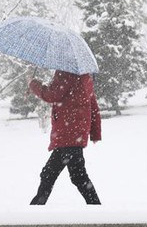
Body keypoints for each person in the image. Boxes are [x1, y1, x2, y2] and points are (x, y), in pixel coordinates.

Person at [28, 70, 101, 205]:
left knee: (73, 176)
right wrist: (95, 132)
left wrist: (33, 84)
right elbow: (93, 105)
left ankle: (98, 211)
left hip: (68, 134)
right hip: (74, 135)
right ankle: (35, 209)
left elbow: (51, 95)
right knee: (51, 174)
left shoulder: (65, 73)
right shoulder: (85, 76)